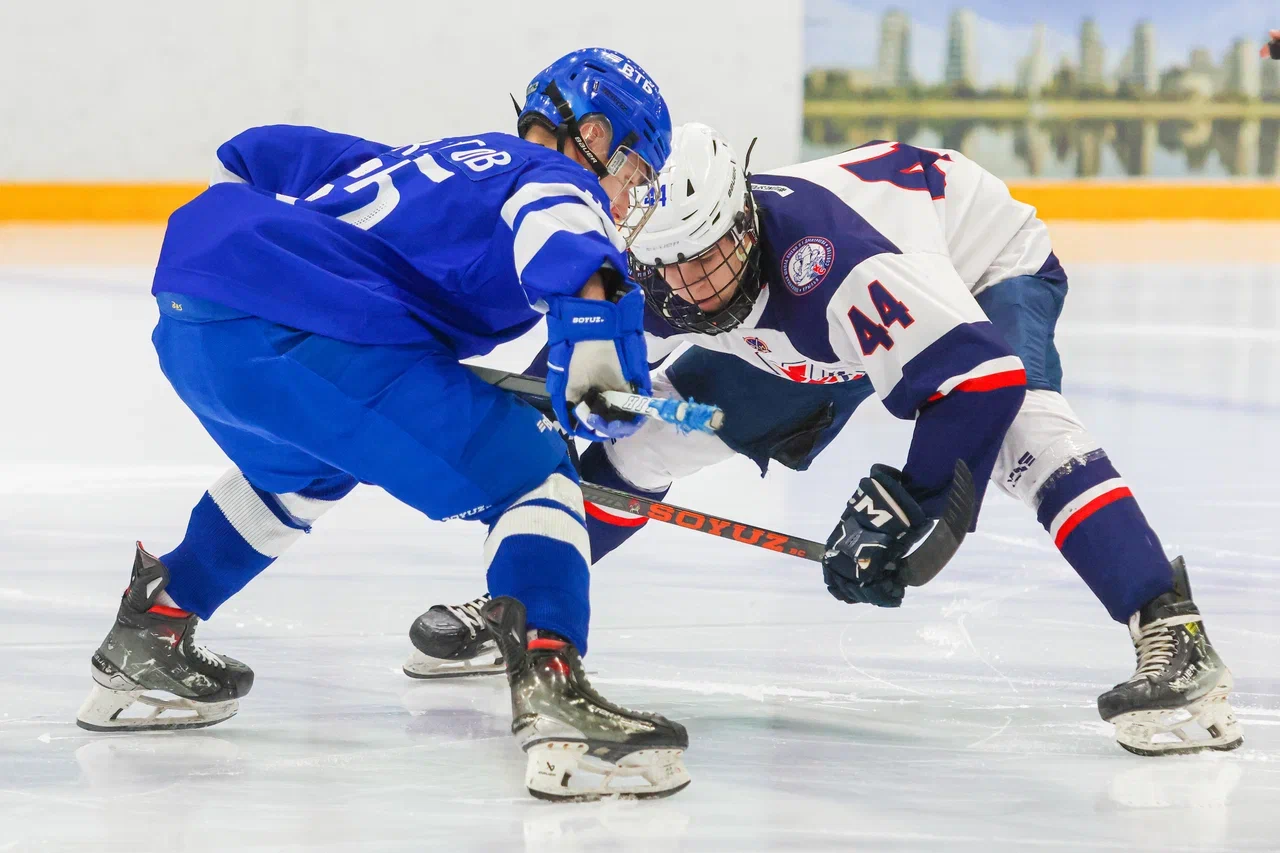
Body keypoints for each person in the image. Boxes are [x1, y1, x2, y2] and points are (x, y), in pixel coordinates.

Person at [410, 123, 1242, 758]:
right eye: (677, 273)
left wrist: (909, 503)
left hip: (975, 262)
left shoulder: (838, 265)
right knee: (647, 439)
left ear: (744, 216)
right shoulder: (668, 268)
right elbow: (577, 371)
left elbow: (978, 381)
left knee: (1028, 432)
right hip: (809, 329)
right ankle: (523, 600)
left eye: (713, 257)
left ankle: (1174, 632)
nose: (698, 287)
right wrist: (529, 418)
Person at [75, 47, 692, 802]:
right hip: (310, 330)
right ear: (592, 135)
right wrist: (595, 345)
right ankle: (557, 698)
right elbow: (558, 229)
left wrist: (256, 256)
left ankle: (153, 630)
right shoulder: (556, 176)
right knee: (539, 474)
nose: (627, 201)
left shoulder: (414, 161)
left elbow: (259, 151)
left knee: (303, 471)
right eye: (630, 174)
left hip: (196, 318)